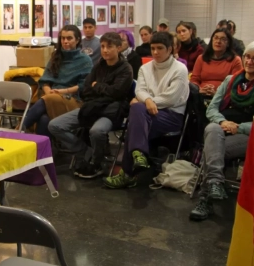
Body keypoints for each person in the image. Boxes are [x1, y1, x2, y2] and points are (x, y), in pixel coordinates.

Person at [190, 41, 254, 221]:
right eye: (247, 56)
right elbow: (211, 109)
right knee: (212, 129)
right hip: (222, 129)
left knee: (213, 149)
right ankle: (216, 182)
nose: (249, 61)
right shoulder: (230, 80)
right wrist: (224, 122)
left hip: (250, 135)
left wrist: (239, 127)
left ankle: (205, 199)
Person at [103, 32, 189, 188]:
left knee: (136, 115)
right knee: (137, 114)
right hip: (146, 113)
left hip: (172, 115)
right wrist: (147, 100)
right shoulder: (145, 68)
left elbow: (171, 99)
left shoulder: (180, 69)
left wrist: (148, 101)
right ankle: (138, 155)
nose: (155, 52)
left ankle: (128, 173)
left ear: (169, 49)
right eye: (153, 48)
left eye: (160, 48)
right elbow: (140, 91)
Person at [49, 33, 133, 179]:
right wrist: (100, 89)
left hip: (111, 111)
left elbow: (117, 93)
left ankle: (97, 162)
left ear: (119, 48)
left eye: (109, 47)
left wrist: (97, 86)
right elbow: (86, 88)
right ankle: (84, 150)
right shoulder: (99, 65)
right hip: (91, 107)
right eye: (102, 46)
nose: (105, 50)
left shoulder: (126, 69)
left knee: (97, 131)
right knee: (55, 125)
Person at [22, 25, 93, 136]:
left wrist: (62, 92)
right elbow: (45, 80)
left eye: (69, 38)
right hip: (51, 97)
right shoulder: (56, 56)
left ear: (77, 40)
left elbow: (84, 85)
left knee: (46, 101)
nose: (65, 41)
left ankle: (19, 130)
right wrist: (48, 91)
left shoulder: (85, 60)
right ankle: (45, 151)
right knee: (44, 119)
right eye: (63, 38)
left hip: (73, 100)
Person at [190, 28, 242, 99]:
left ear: (228, 43)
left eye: (223, 39)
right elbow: (194, 80)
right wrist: (200, 90)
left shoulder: (235, 60)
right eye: (216, 38)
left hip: (224, 98)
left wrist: (217, 93)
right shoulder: (201, 58)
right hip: (201, 95)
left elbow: (235, 84)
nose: (218, 41)